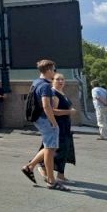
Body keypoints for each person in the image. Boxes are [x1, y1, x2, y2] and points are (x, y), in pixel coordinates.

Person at [20, 59, 69, 191]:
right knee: (50, 150)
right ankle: (51, 181)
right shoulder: (45, 86)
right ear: (48, 70)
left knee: (49, 147)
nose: (55, 72)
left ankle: (30, 167)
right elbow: (46, 106)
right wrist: (54, 122)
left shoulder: (36, 82)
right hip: (45, 120)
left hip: (38, 119)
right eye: (54, 69)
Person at [37, 73, 77, 184]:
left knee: (64, 151)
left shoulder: (62, 93)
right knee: (54, 150)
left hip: (65, 126)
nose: (60, 81)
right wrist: (69, 111)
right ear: (52, 81)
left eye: (62, 79)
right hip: (58, 125)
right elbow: (53, 111)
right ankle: (39, 166)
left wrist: (69, 110)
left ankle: (60, 175)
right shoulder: (54, 93)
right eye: (57, 79)